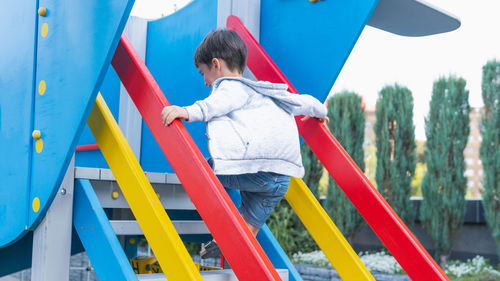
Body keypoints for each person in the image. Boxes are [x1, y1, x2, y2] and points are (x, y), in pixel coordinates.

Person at [161, 29, 328, 258]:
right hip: (280, 180)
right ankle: (237, 240)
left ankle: (233, 237)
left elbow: (213, 106)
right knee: (250, 220)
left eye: (203, 73)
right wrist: (321, 112)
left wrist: (185, 111)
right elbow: (305, 102)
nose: (205, 82)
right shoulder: (266, 91)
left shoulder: (231, 88)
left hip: (256, 172)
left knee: (205, 170)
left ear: (216, 64)